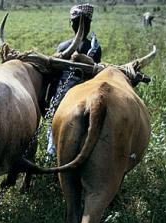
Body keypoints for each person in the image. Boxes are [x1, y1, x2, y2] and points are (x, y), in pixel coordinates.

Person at [46, 3, 102, 159]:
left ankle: (51, 156)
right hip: (87, 95)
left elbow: (55, 76)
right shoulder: (95, 48)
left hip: (63, 96)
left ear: (72, 24)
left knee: (54, 130)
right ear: (89, 25)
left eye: (75, 23)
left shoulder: (63, 46)